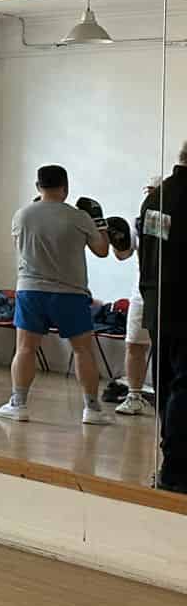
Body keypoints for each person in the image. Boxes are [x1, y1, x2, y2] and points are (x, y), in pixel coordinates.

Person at [0, 166, 113, 426]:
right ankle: (92, 410)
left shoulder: (22, 215)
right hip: (70, 293)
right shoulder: (79, 217)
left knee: (26, 348)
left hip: (31, 290)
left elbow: (20, 247)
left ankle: (19, 404)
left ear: (38, 186)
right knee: (83, 350)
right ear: (66, 187)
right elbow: (103, 250)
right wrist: (99, 222)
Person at [151, 146, 187, 493]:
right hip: (181, 307)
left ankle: (171, 461)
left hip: (160, 306)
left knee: (167, 383)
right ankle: (176, 469)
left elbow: (150, 257)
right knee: (182, 387)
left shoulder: (157, 197)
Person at [117, 184, 161, 415]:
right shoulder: (137, 223)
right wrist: (118, 238)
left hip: (169, 292)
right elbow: (123, 254)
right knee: (134, 344)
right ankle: (134, 395)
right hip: (141, 293)